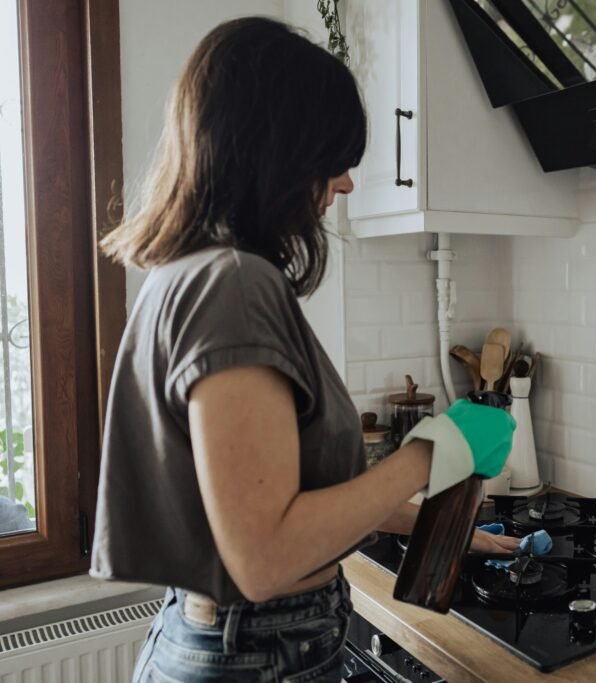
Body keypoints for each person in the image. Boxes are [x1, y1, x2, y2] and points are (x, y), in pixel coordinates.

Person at [90, 17, 518, 682]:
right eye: (333, 156)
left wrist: (429, 521)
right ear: (278, 149)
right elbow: (263, 557)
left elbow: (275, 502)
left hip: (226, 641)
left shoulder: (186, 272)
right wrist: (433, 452)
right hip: (257, 652)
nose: (345, 183)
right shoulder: (233, 284)